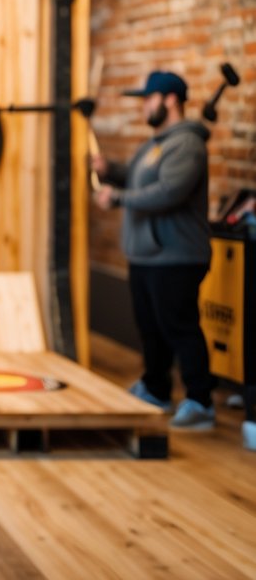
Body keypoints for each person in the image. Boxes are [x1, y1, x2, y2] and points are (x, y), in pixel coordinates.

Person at [92, 70, 215, 430]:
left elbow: (168, 192)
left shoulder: (187, 144)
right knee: (150, 328)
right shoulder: (154, 144)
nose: (144, 106)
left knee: (179, 326)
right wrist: (111, 171)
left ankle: (200, 400)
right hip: (146, 255)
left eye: (148, 99)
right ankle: (156, 388)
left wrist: (117, 198)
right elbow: (137, 178)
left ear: (170, 100)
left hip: (177, 256)